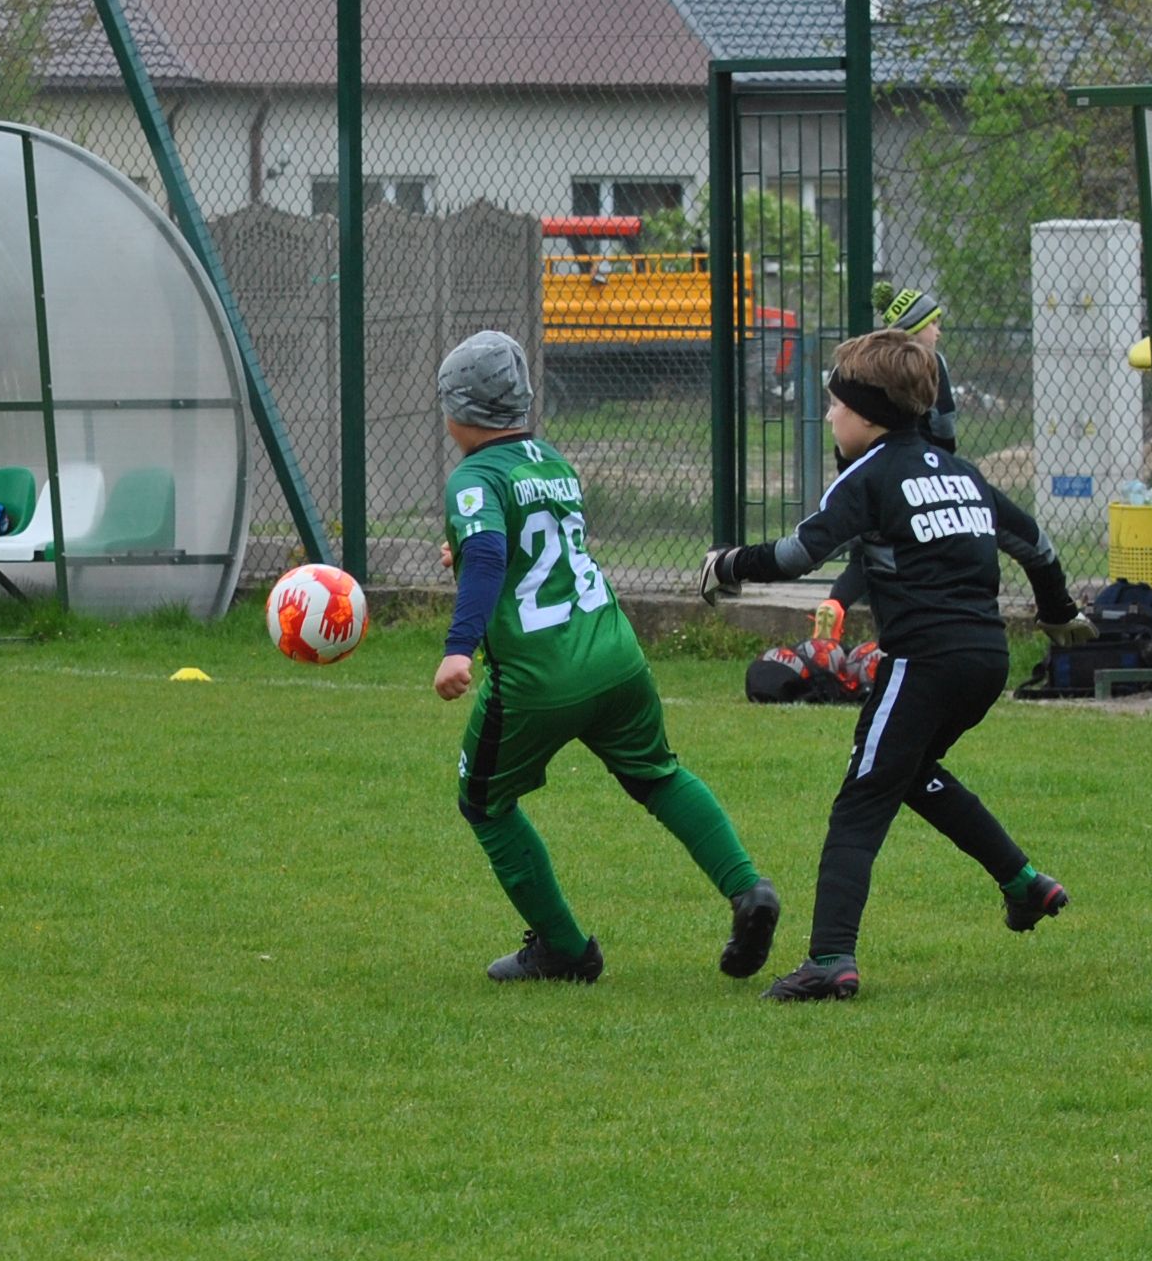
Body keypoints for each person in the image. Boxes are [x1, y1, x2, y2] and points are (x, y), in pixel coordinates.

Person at [697, 329, 1096, 1001]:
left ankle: (830, 959)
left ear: (866, 412)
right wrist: (1056, 613)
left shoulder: (870, 476)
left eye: (833, 405)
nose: (828, 416)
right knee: (912, 775)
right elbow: (1037, 543)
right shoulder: (962, 473)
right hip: (985, 659)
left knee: (860, 801)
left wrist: (729, 564)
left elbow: (799, 554)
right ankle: (1024, 884)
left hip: (923, 661)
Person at [433, 330, 780, 984]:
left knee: (484, 800)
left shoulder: (472, 477)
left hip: (541, 676)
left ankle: (564, 948)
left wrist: (457, 649)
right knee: (657, 774)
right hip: (616, 653)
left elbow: (487, 555)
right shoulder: (554, 461)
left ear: (458, 411)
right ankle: (748, 888)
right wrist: (474, 549)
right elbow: (541, 549)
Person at [814, 282, 960, 644]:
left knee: (866, 547)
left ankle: (835, 602)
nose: (937, 331)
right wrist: (945, 460)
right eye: (932, 323)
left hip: (862, 462)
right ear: (913, 327)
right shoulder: (930, 364)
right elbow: (943, 422)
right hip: (910, 470)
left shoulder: (869, 361)